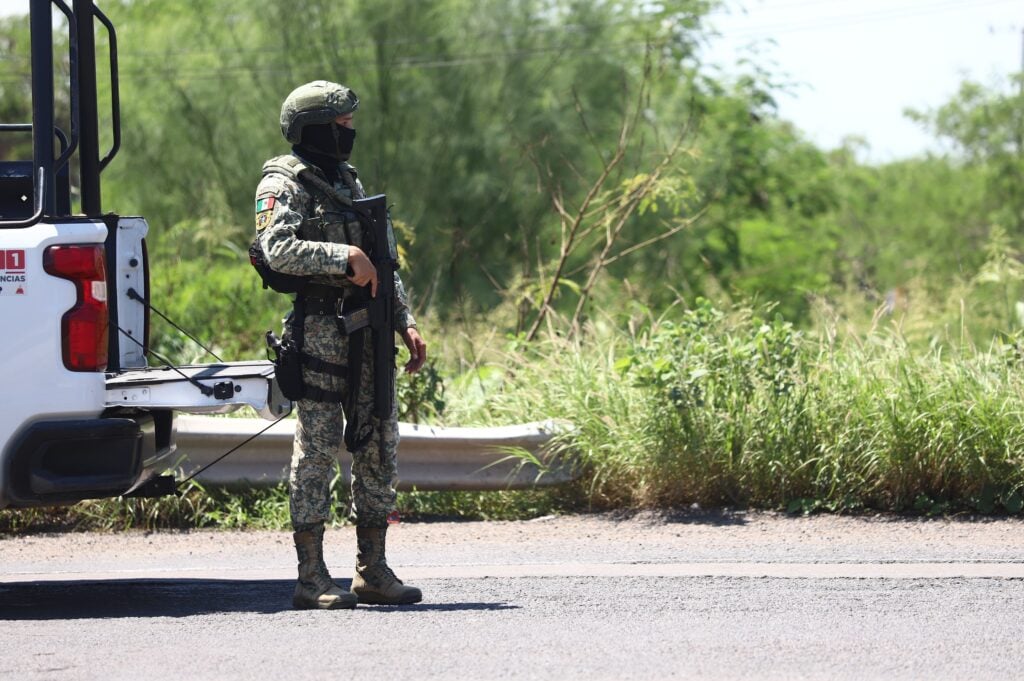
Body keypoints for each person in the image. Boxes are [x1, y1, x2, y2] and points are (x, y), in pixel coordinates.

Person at [253, 80, 427, 609]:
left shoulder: (349, 180)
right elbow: (275, 248)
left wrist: (405, 321)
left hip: (370, 335)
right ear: (317, 130)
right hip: (321, 334)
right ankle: (311, 577)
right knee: (318, 450)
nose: (351, 132)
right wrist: (341, 256)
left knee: (378, 445)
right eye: (342, 125)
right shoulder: (283, 182)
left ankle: (371, 570)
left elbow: (384, 260)